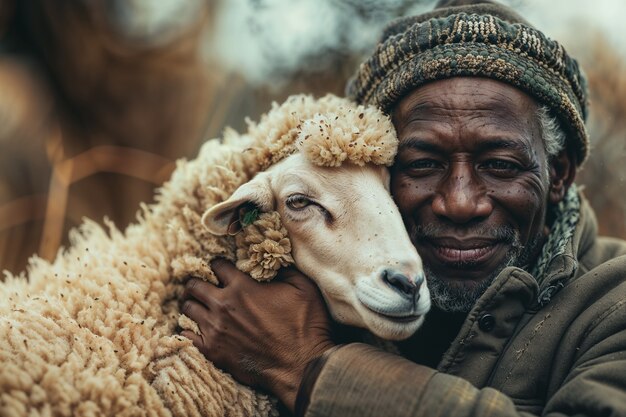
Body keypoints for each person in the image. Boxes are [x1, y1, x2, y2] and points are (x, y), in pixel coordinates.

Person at [180, 1, 626, 416]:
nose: (459, 202)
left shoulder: (612, 304)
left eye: (501, 165)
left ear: (559, 173)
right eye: (422, 164)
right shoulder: (295, 295)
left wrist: (309, 367)